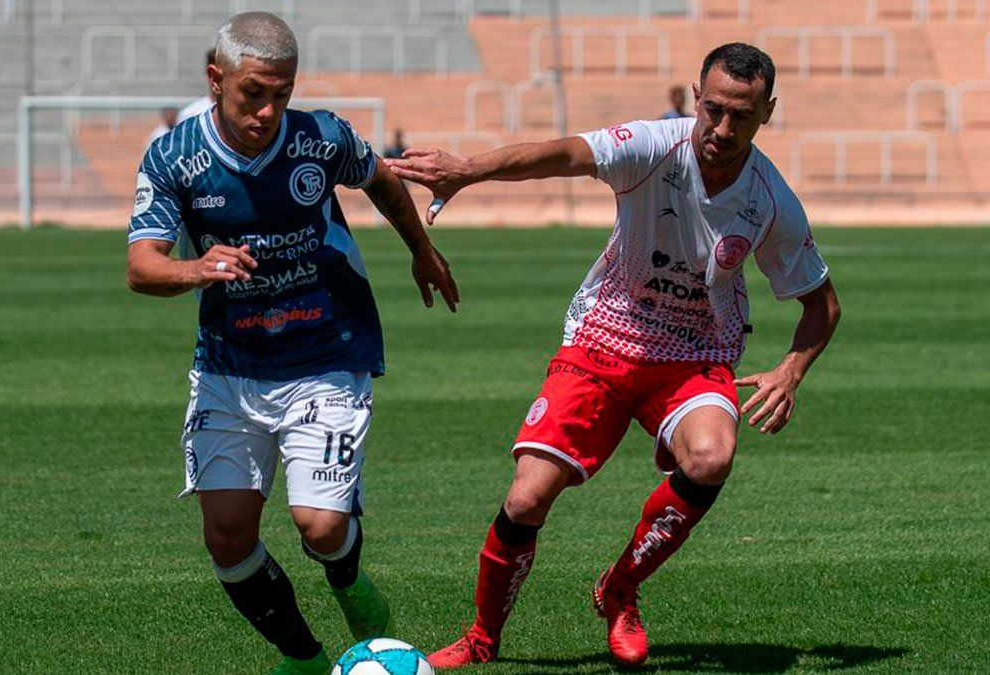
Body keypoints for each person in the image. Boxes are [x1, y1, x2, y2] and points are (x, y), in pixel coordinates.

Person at [386, 43, 841, 669]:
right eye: (713, 109)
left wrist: (791, 371)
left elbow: (822, 303)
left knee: (711, 457)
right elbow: (567, 153)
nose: (724, 128)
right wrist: (469, 170)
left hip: (695, 354)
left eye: (743, 115)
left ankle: (620, 589)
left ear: (768, 112)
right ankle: (482, 638)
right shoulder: (655, 146)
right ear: (696, 97)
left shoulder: (771, 201)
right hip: (603, 339)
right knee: (526, 500)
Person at [126, 12, 459, 675]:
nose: (269, 110)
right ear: (215, 79)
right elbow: (142, 266)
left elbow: (381, 178)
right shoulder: (172, 157)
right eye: (254, 93)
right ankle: (305, 659)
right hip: (230, 363)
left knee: (321, 527)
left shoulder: (319, 137)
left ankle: (348, 578)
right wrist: (198, 268)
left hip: (325, 352)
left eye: (282, 93)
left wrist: (421, 247)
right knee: (227, 538)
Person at [178, 48, 219, 124]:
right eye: (213, 75)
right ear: (208, 74)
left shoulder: (239, 115)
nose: (216, 81)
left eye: (220, 76)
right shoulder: (189, 115)